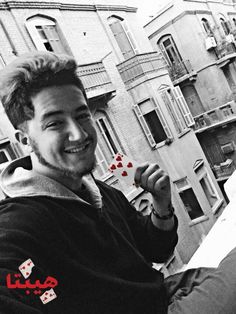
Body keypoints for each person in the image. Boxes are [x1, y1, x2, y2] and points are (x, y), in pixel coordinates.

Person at [0, 51, 235, 314]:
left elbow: (157, 249)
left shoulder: (97, 190)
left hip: (161, 294)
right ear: (23, 140)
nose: (78, 134)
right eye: (55, 123)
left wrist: (161, 204)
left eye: (82, 115)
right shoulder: (18, 224)